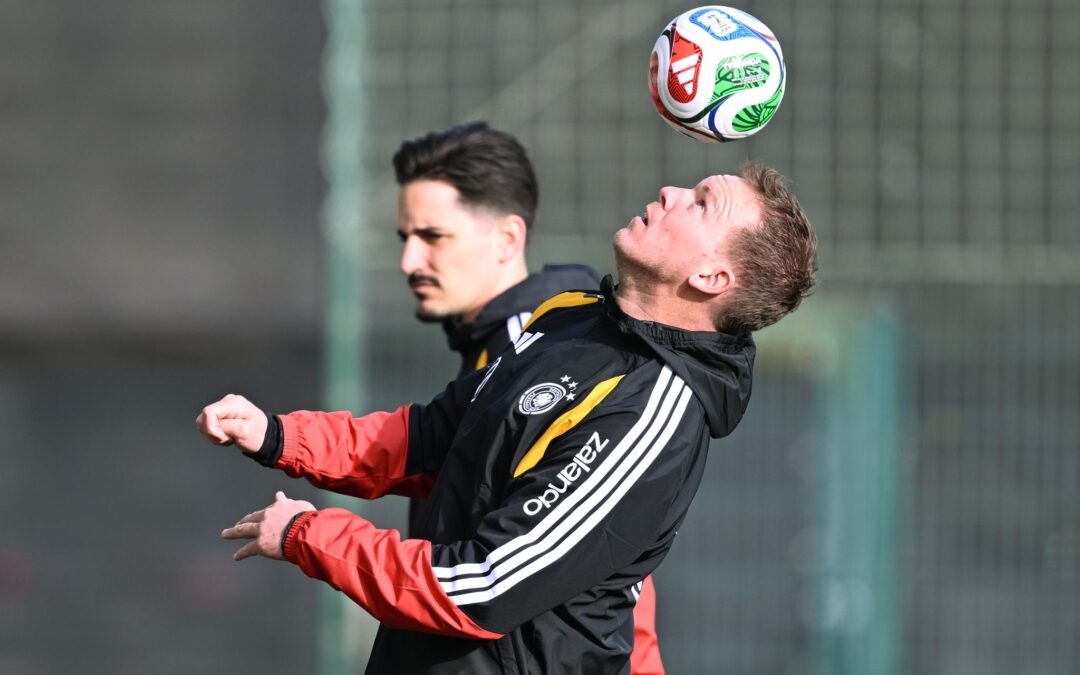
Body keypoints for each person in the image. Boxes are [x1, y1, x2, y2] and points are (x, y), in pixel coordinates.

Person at [197, 161, 817, 674]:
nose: (671, 191)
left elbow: (484, 586)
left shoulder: (653, 415)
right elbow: (433, 437)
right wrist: (280, 436)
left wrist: (313, 537)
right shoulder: (573, 316)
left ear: (712, 277)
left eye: (702, 204)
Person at [392, 121, 663, 673]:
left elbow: (608, 570)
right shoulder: (509, 347)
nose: (410, 262)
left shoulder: (547, 356)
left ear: (507, 239)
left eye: (432, 237)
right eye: (405, 239)